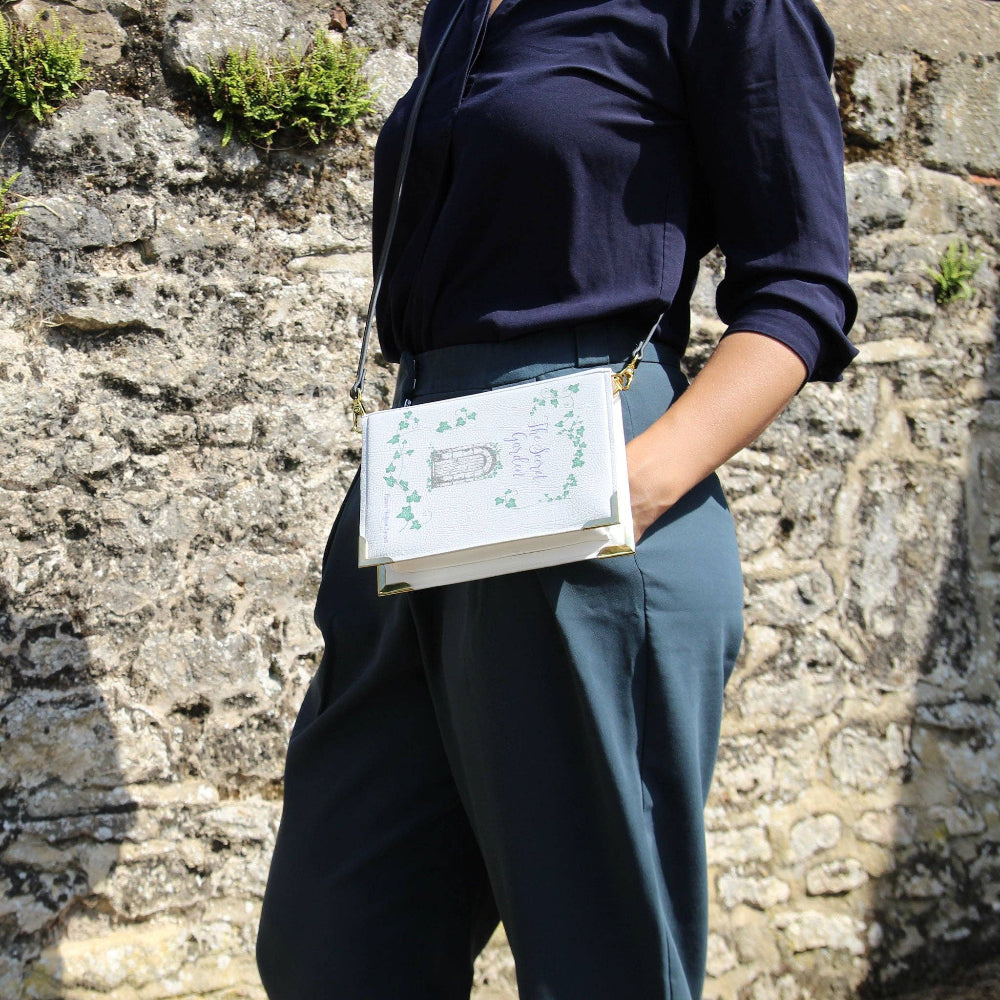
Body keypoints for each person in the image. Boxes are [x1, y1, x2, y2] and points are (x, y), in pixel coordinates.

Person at [255, 0, 857, 996]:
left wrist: (637, 482)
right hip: (425, 482)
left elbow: (800, 284)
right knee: (336, 940)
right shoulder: (456, 12)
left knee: (600, 960)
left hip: (596, 472)